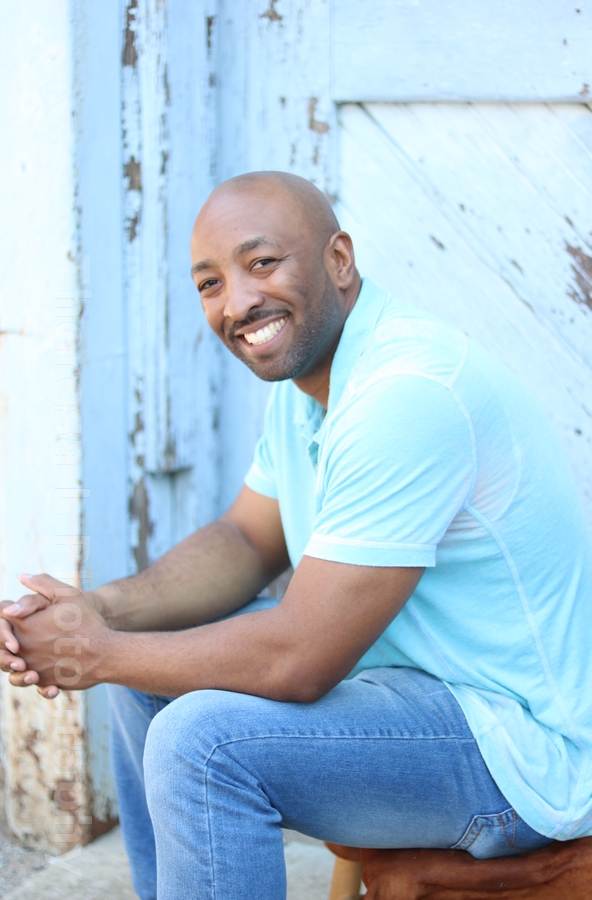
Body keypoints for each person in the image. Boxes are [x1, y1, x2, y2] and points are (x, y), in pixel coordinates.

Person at [1, 172, 591, 900]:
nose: (238, 303)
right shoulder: (312, 383)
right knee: (144, 680)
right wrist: (100, 612)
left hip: (518, 749)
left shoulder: (405, 393)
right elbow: (247, 541)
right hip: (407, 687)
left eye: (262, 262)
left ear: (338, 260)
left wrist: (99, 652)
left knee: (202, 742)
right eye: (211, 283)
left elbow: (303, 657)